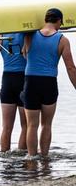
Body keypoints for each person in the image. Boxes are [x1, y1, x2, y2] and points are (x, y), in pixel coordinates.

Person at [21, 8, 76, 158]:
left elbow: (25, 54)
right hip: (49, 83)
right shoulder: (62, 40)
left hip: (31, 81)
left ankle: (32, 157)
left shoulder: (30, 35)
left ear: (46, 20)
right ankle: (44, 157)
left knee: (32, 125)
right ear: (58, 21)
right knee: (46, 124)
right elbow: (70, 67)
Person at [0, 32, 28, 152]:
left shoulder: (0, 37)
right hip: (23, 79)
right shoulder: (27, 35)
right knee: (26, 126)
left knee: (6, 127)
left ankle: (4, 155)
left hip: (7, 81)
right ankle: (22, 156)